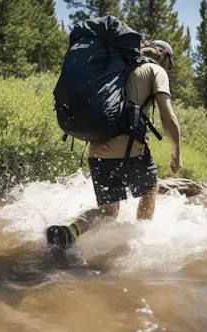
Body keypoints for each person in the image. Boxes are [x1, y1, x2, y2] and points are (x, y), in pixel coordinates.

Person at [47, 39, 183, 249]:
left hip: (96, 151)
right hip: (130, 149)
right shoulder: (155, 71)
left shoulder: (115, 68)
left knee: (108, 211)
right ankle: (140, 245)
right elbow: (169, 118)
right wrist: (176, 156)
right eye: (169, 63)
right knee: (149, 189)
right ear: (163, 55)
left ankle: (71, 231)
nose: (168, 68)